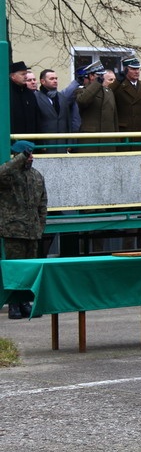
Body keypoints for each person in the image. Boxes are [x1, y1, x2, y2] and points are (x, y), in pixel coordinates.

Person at [1, 141, 47, 319]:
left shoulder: (36, 176)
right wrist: (19, 158)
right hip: (13, 230)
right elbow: (2, 172)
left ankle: (25, 302)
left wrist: (40, 226)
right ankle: (13, 304)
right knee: (15, 269)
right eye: (28, 154)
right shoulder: (9, 175)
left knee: (29, 270)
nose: (31, 157)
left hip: (32, 231)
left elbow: (42, 204)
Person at [76, 62, 118, 151]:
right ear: (91, 76)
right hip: (91, 140)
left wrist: (116, 139)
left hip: (108, 139)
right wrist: (97, 83)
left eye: (102, 76)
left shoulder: (109, 91)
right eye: (99, 75)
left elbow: (114, 118)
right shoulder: (81, 90)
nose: (102, 78)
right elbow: (83, 101)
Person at [110, 56, 141, 133]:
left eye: (138, 69)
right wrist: (117, 81)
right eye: (133, 69)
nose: (137, 72)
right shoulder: (118, 85)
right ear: (125, 70)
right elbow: (108, 94)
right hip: (125, 130)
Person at [35, 69, 72, 150]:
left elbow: (67, 120)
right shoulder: (36, 97)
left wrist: (69, 142)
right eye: (51, 79)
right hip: (46, 144)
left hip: (61, 144)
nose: (55, 81)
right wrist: (40, 143)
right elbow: (36, 122)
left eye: (56, 78)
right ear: (43, 81)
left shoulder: (62, 97)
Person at [9, 61, 40, 135]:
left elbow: (37, 119)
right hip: (12, 141)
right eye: (23, 74)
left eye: (26, 73)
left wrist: (40, 142)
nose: (26, 76)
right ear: (13, 76)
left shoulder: (30, 94)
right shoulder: (7, 94)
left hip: (30, 141)